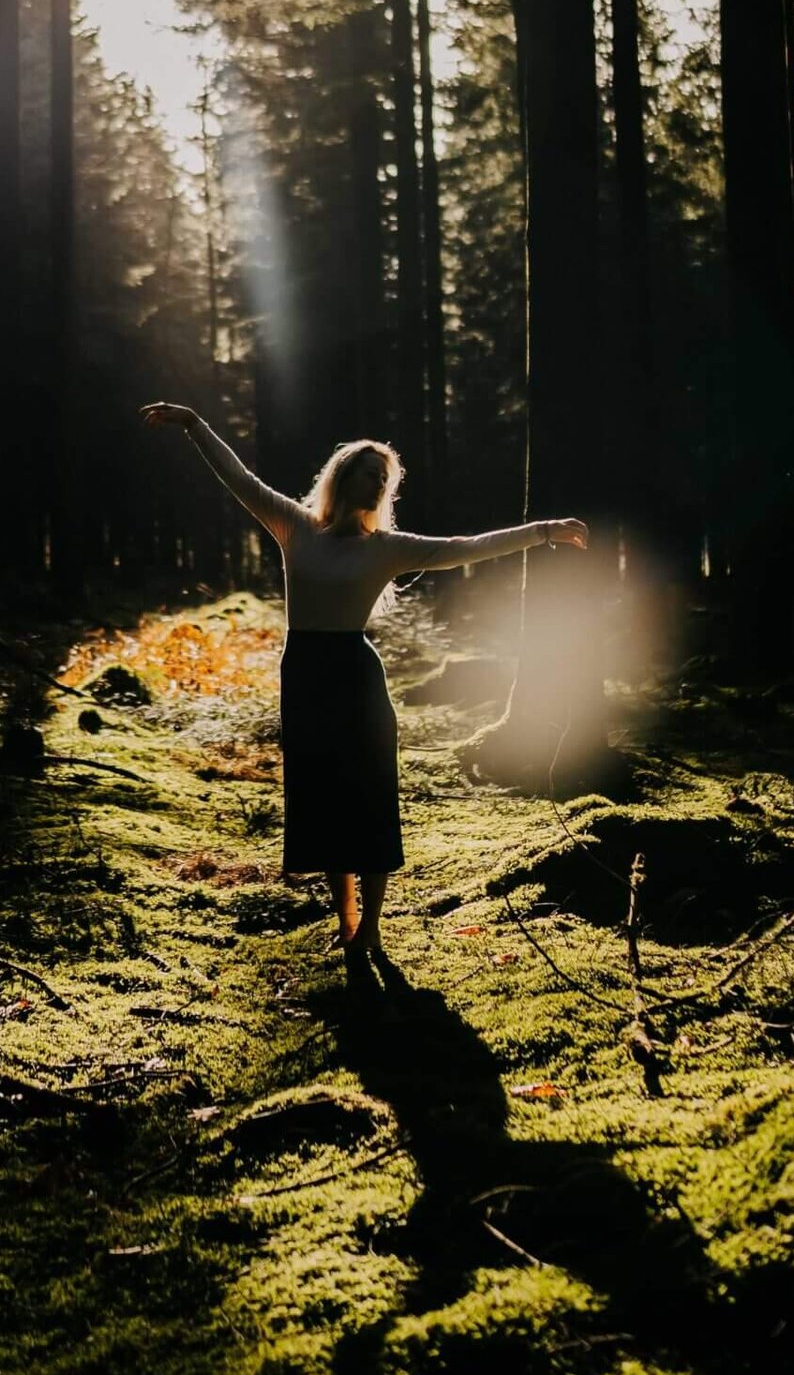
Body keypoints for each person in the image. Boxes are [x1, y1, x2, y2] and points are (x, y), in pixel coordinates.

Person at [138, 402, 587, 977]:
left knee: (370, 798)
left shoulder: (387, 548)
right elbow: (240, 479)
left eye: (385, 478)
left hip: (357, 677)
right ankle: (347, 921)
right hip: (305, 674)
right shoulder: (295, 527)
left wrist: (544, 532)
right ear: (342, 475)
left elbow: (468, 545)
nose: (378, 484)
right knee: (323, 798)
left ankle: (371, 927)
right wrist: (193, 423)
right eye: (370, 473)